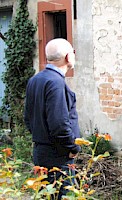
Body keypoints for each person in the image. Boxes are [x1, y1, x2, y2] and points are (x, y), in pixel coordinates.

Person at [24, 38, 80, 199]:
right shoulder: (55, 83)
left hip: (41, 151)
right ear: (68, 57)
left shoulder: (35, 80)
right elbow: (59, 124)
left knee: (47, 195)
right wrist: (72, 147)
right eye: (73, 53)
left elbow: (27, 118)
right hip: (58, 155)